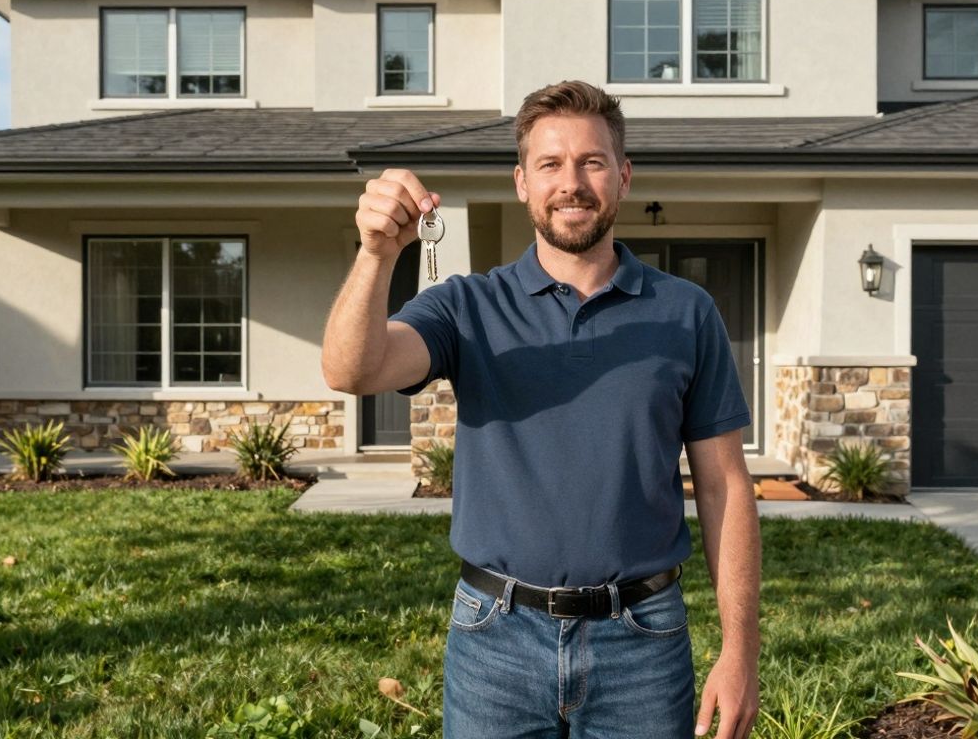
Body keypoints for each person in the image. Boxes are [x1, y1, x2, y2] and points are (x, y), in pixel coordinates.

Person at [321, 80, 760, 739]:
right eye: (550, 164)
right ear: (522, 182)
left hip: (643, 640)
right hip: (493, 638)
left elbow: (726, 484)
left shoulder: (685, 311)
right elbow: (351, 370)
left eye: (591, 161)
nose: (572, 182)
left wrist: (739, 653)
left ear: (623, 176)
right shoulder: (467, 306)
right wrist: (378, 254)